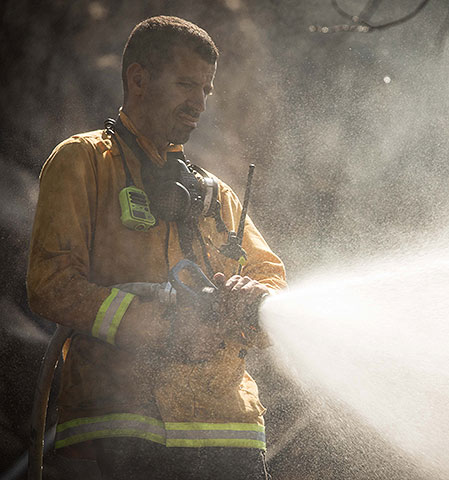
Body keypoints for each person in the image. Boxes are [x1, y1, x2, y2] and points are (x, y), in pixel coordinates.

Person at [27, 15, 286, 480]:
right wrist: (152, 328)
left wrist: (255, 300)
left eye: (206, 89)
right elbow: (50, 284)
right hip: (120, 424)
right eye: (187, 84)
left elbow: (272, 282)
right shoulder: (83, 163)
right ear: (139, 79)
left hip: (229, 431)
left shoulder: (214, 194)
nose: (198, 104)